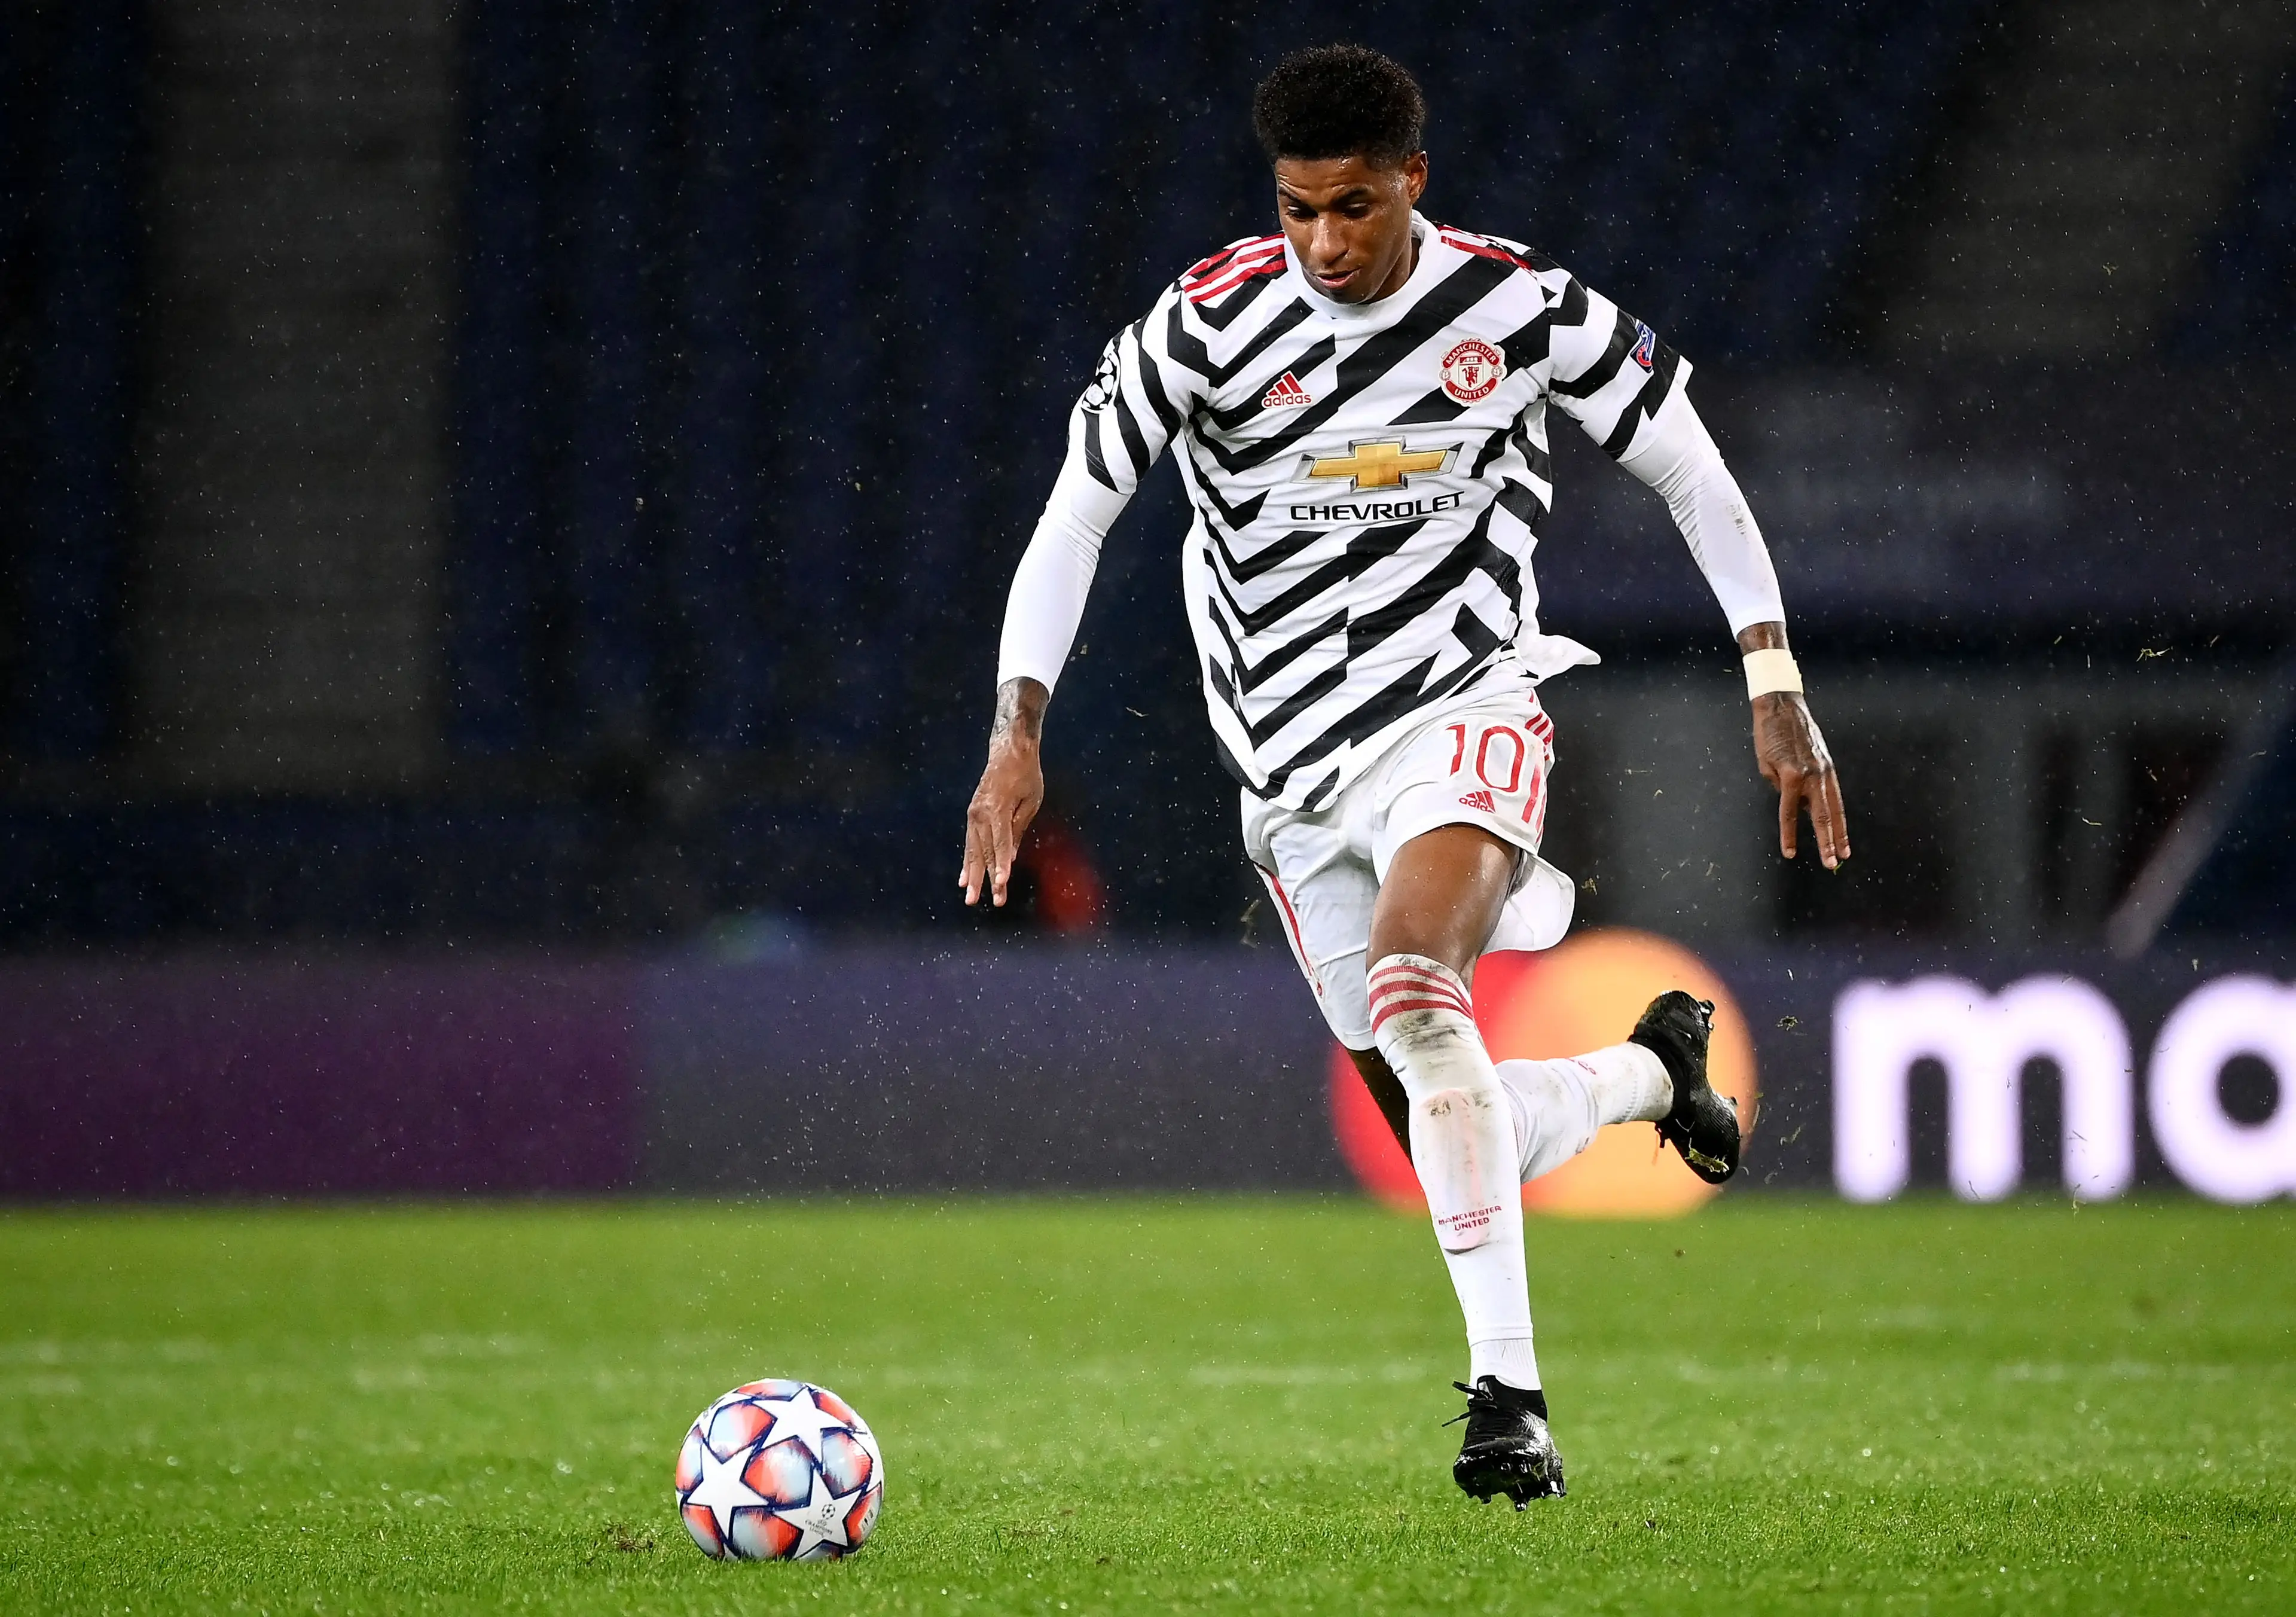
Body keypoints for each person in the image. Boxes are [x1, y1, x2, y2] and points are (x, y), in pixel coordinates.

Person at [959, 43, 1851, 1507]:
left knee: (1414, 984)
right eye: (1300, 208)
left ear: (1414, 179)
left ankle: (1511, 1401)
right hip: (1286, 767)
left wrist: (1773, 678)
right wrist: (1016, 729)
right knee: (1451, 1096)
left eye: (1355, 207)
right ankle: (1648, 1071)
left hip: (1463, 703)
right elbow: (1076, 517)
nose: (1324, 242)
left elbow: (1691, 467)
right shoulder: (1203, 325)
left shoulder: (1521, 306)